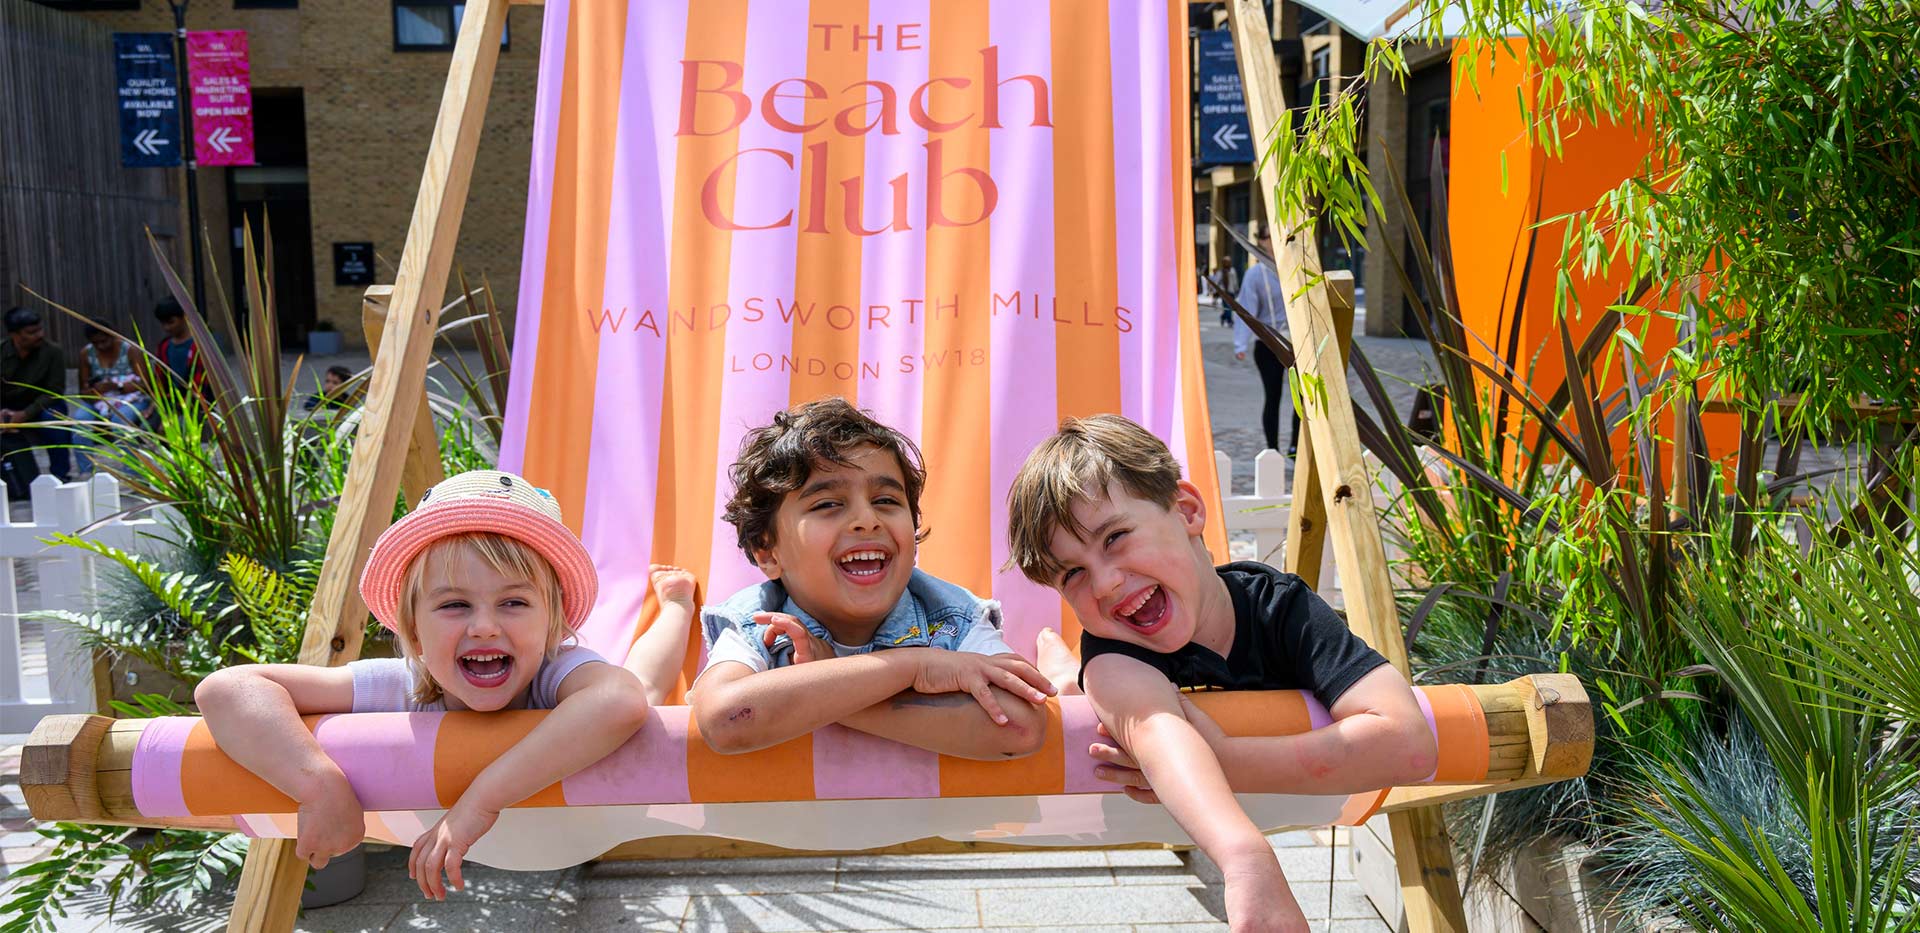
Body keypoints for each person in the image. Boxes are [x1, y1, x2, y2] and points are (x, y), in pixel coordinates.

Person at [1005, 415, 1437, 933]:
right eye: (1071, 573)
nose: (1103, 583)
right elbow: (1155, 730)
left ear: (1186, 511)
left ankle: (1063, 666)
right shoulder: (1113, 650)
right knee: (1080, 688)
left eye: (1116, 537)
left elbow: (1411, 743)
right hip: (1108, 679)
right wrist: (1244, 857)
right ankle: (1063, 667)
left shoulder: (1282, 608)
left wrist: (1228, 758)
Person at [193, 470, 673, 899]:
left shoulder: (556, 670)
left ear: (554, 625)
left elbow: (621, 699)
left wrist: (479, 802)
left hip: (580, 793)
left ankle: (676, 607)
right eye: (454, 605)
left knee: (647, 690)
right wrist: (319, 785)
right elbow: (227, 689)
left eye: (514, 603)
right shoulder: (401, 685)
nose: (484, 626)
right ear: (413, 630)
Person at [690, 398, 1056, 760]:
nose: (867, 519)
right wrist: (914, 667)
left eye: (886, 501)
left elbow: (1021, 726)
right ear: (768, 553)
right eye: (827, 504)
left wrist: (823, 689)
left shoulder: (951, 619)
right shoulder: (761, 626)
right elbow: (726, 719)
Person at [1234, 226, 1300, 456]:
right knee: (1273, 396)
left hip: (1297, 343)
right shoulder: (1255, 275)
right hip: (1268, 344)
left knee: (1301, 397)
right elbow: (1246, 309)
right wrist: (1240, 343)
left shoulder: (1295, 268)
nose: (1273, 241)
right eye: (1268, 236)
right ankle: (1273, 449)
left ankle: (1296, 445)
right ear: (1261, 242)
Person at [0, 307, 72, 498]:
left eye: (40, 329)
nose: (39, 335)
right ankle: (15, 482)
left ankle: (60, 477)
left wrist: (25, 415)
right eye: (31, 333)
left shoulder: (53, 352)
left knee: (55, 423)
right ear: (15, 335)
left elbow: (54, 391)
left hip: (41, 406)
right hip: (8, 406)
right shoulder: (2, 352)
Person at [71, 322, 153, 476]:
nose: (101, 346)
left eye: (104, 341)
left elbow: (146, 384)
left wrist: (117, 387)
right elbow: (83, 390)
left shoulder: (130, 350)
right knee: (80, 421)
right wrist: (94, 391)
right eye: (96, 343)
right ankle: (87, 473)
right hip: (101, 400)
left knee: (120, 421)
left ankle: (133, 473)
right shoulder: (86, 354)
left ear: (112, 335)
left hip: (133, 399)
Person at [148, 298, 210, 394]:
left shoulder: (198, 346)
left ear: (184, 317)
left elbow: (202, 383)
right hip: (171, 401)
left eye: (171, 322)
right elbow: (159, 379)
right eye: (163, 323)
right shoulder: (164, 347)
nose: (166, 327)